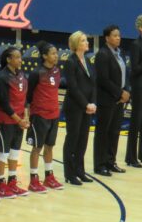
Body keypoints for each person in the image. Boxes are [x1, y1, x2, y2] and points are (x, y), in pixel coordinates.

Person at [26, 41, 64, 192]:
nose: (56, 56)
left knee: (50, 146)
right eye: (53, 53)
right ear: (44, 56)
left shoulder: (56, 70)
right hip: (39, 115)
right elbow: (28, 96)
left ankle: (49, 176)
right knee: (37, 147)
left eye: (56, 53)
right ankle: (33, 179)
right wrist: (28, 114)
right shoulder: (37, 73)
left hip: (54, 113)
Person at [0, 47, 30, 199]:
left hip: (19, 120)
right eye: (16, 57)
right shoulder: (2, 77)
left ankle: (12, 182)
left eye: (20, 57)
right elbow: (4, 103)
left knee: (15, 152)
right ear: (8, 59)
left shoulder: (21, 74)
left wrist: (26, 117)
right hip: (5, 120)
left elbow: (25, 99)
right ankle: (1, 185)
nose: (20, 60)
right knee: (4, 152)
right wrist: (18, 119)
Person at [94, 25, 129, 176]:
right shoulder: (102, 54)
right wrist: (120, 92)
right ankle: (100, 164)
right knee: (103, 132)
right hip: (107, 99)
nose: (118, 38)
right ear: (107, 38)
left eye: (119, 35)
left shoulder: (120, 53)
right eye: (115, 35)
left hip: (119, 99)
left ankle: (110, 161)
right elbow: (103, 80)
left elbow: (124, 74)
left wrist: (126, 91)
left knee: (115, 131)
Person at [63, 31, 96, 185]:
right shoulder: (71, 62)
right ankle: (69, 174)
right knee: (73, 139)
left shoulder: (88, 60)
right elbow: (73, 87)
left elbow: (92, 83)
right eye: (83, 40)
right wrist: (85, 104)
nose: (87, 42)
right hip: (75, 106)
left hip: (87, 106)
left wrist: (93, 103)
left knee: (83, 139)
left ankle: (80, 171)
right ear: (77, 44)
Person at [126, 15, 142, 167]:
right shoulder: (136, 45)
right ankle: (130, 157)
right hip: (138, 87)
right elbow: (135, 69)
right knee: (135, 122)